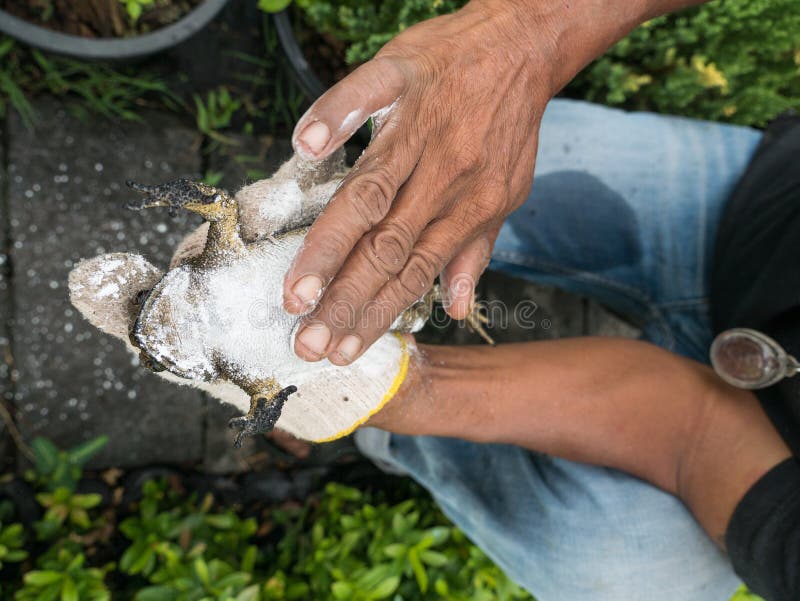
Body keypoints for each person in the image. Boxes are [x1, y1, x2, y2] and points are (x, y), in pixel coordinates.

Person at [278, 1, 800, 599]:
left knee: (619, 577)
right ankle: (300, 258)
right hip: (754, 222)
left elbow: (692, 428)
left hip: (749, 461)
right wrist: (525, 33)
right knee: (430, 172)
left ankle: (371, 426)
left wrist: (380, 387)